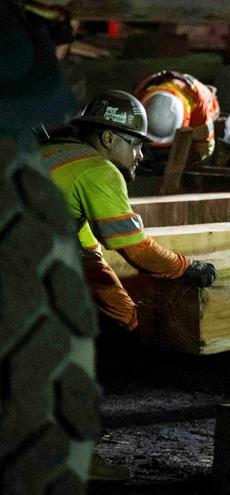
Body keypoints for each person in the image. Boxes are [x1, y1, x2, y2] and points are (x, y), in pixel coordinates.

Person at [41, 90, 218, 335]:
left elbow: (78, 242)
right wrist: (186, 267)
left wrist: (126, 316)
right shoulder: (99, 170)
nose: (141, 155)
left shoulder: (58, 153)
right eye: (135, 144)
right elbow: (137, 250)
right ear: (108, 138)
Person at [134, 70, 221, 165]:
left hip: (205, 105)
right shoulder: (142, 93)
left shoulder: (201, 108)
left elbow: (205, 147)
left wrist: (185, 162)